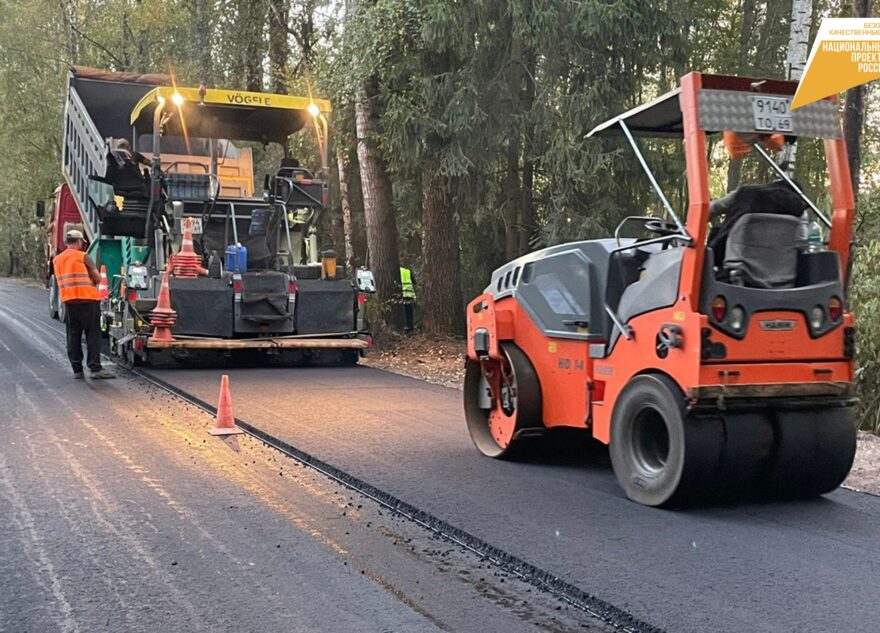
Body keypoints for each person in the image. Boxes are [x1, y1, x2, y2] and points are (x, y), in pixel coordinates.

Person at [53, 229, 115, 379]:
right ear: (79, 241)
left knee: (73, 335)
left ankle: (77, 370)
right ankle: (95, 368)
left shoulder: (57, 259)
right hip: (88, 301)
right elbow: (97, 278)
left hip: (69, 302)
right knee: (92, 335)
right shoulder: (83, 257)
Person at [400, 266, 416, 333]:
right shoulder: (407, 271)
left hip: (401, 294)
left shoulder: (396, 271)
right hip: (409, 294)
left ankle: (405, 327)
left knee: (403, 312)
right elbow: (414, 282)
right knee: (409, 312)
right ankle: (410, 327)